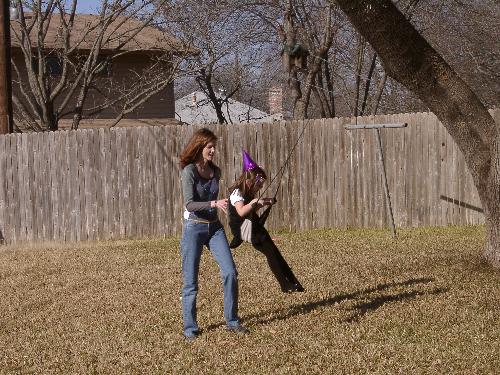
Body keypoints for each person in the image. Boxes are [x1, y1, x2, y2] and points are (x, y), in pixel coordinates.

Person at [179, 128, 248, 341]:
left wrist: (226, 205)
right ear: (199, 147)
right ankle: (190, 328)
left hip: (215, 228)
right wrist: (213, 203)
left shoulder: (216, 171)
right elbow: (189, 204)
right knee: (190, 282)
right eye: (210, 147)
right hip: (194, 228)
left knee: (230, 272)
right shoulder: (189, 171)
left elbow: (218, 199)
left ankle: (232, 321)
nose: (213, 150)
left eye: (214, 147)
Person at [227, 150, 304, 293]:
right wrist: (256, 202)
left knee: (275, 253)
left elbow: (250, 210)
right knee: (271, 253)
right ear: (250, 180)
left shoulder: (248, 194)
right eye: (259, 184)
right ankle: (285, 285)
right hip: (245, 229)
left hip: (253, 227)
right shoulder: (237, 193)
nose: (260, 187)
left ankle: (294, 283)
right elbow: (241, 212)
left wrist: (265, 202)